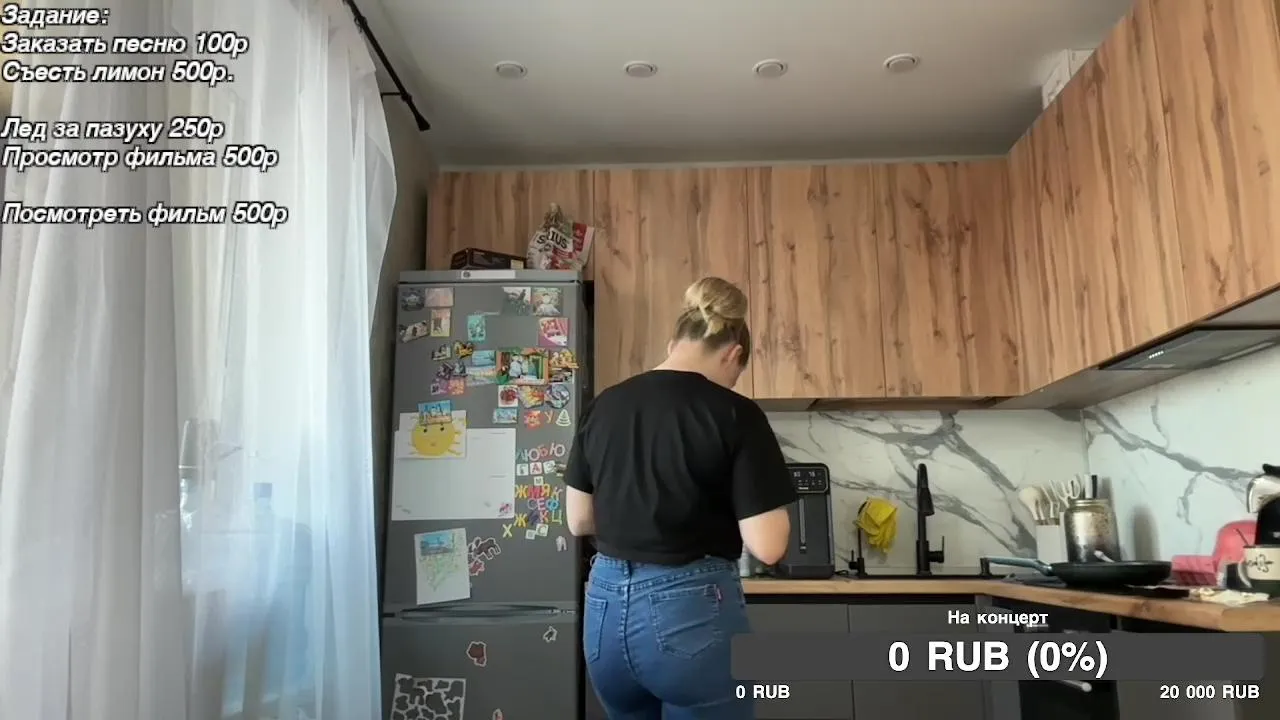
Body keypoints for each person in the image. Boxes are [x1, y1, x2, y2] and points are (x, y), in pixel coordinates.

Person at [564, 276, 796, 719]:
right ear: (734, 355)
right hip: (689, 611)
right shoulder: (735, 413)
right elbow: (769, 546)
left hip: (604, 608)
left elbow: (579, 520)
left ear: (674, 343)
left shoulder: (604, 405)